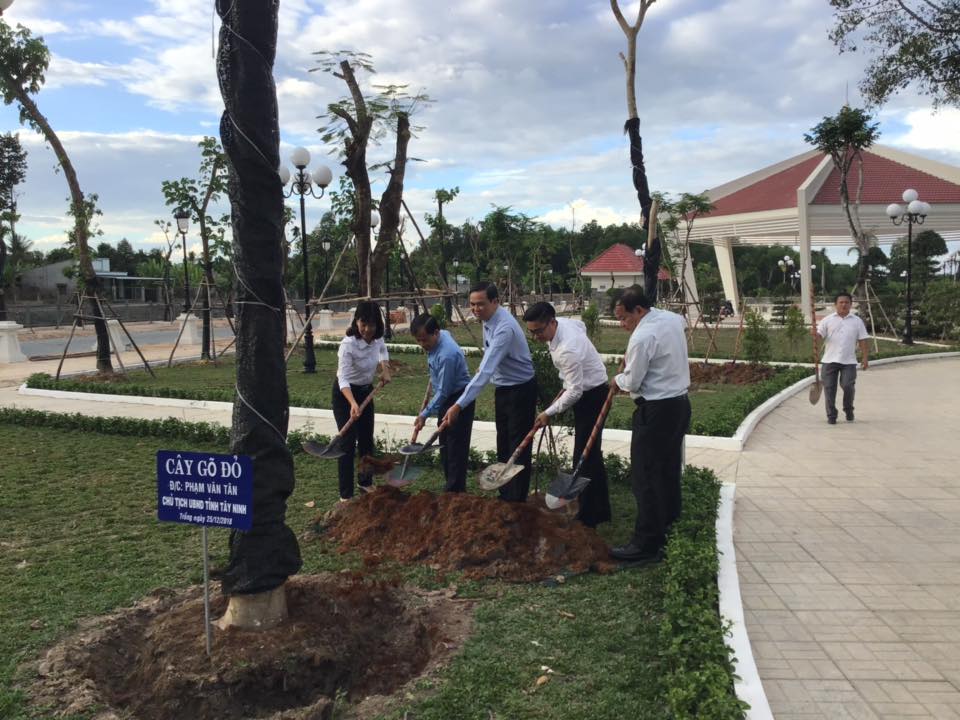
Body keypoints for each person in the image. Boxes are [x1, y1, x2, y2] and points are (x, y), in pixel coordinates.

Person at [611, 286, 691, 563]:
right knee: (667, 471)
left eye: (625, 319)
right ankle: (669, 528)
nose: (623, 325)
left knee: (645, 476)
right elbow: (683, 324)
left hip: (656, 410)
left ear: (639, 311)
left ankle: (646, 544)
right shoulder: (670, 318)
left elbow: (632, 382)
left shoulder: (643, 336)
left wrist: (617, 380)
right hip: (679, 404)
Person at [443, 281, 537, 502]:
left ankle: (516, 502)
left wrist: (458, 405)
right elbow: (489, 360)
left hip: (520, 391)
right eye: (472, 305)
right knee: (503, 444)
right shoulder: (488, 320)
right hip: (503, 388)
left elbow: (485, 372)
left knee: (518, 449)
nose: (476, 310)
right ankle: (505, 496)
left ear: (496, 301)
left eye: (481, 304)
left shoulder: (504, 327)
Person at [524, 301, 612, 528]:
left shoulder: (567, 349)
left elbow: (575, 391)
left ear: (552, 322)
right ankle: (601, 509)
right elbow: (582, 326)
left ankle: (589, 515)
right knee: (591, 453)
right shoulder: (564, 324)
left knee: (584, 456)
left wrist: (548, 412)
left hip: (592, 395)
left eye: (539, 331)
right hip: (588, 388)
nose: (535, 337)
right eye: (531, 332)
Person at [332, 301, 391, 501]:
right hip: (344, 395)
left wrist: (385, 368)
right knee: (347, 444)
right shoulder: (347, 345)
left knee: (366, 441)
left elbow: (383, 350)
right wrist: (352, 403)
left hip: (366, 392)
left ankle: (365, 482)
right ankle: (345, 496)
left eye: (372, 325)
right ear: (356, 321)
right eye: (363, 323)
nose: (367, 329)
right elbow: (343, 378)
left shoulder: (378, 338)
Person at [410, 313, 475, 492]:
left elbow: (444, 392)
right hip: (445, 395)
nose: (423, 345)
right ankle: (451, 486)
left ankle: (455, 492)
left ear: (436, 333)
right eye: (418, 340)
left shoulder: (447, 355)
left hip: (458, 399)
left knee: (455, 449)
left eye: (425, 340)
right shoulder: (442, 336)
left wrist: (424, 414)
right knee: (445, 446)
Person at [816, 292, 869, 424]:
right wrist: (814, 335)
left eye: (846, 302)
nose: (844, 305)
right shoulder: (827, 320)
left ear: (851, 305)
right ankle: (831, 415)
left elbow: (863, 340)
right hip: (829, 360)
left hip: (849, 361)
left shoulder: (857, 321)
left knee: (848, 385)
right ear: (835, 305)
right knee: (829, 388)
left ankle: (848, 408)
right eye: (841, 302)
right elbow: (819, 336)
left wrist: (865, 358)